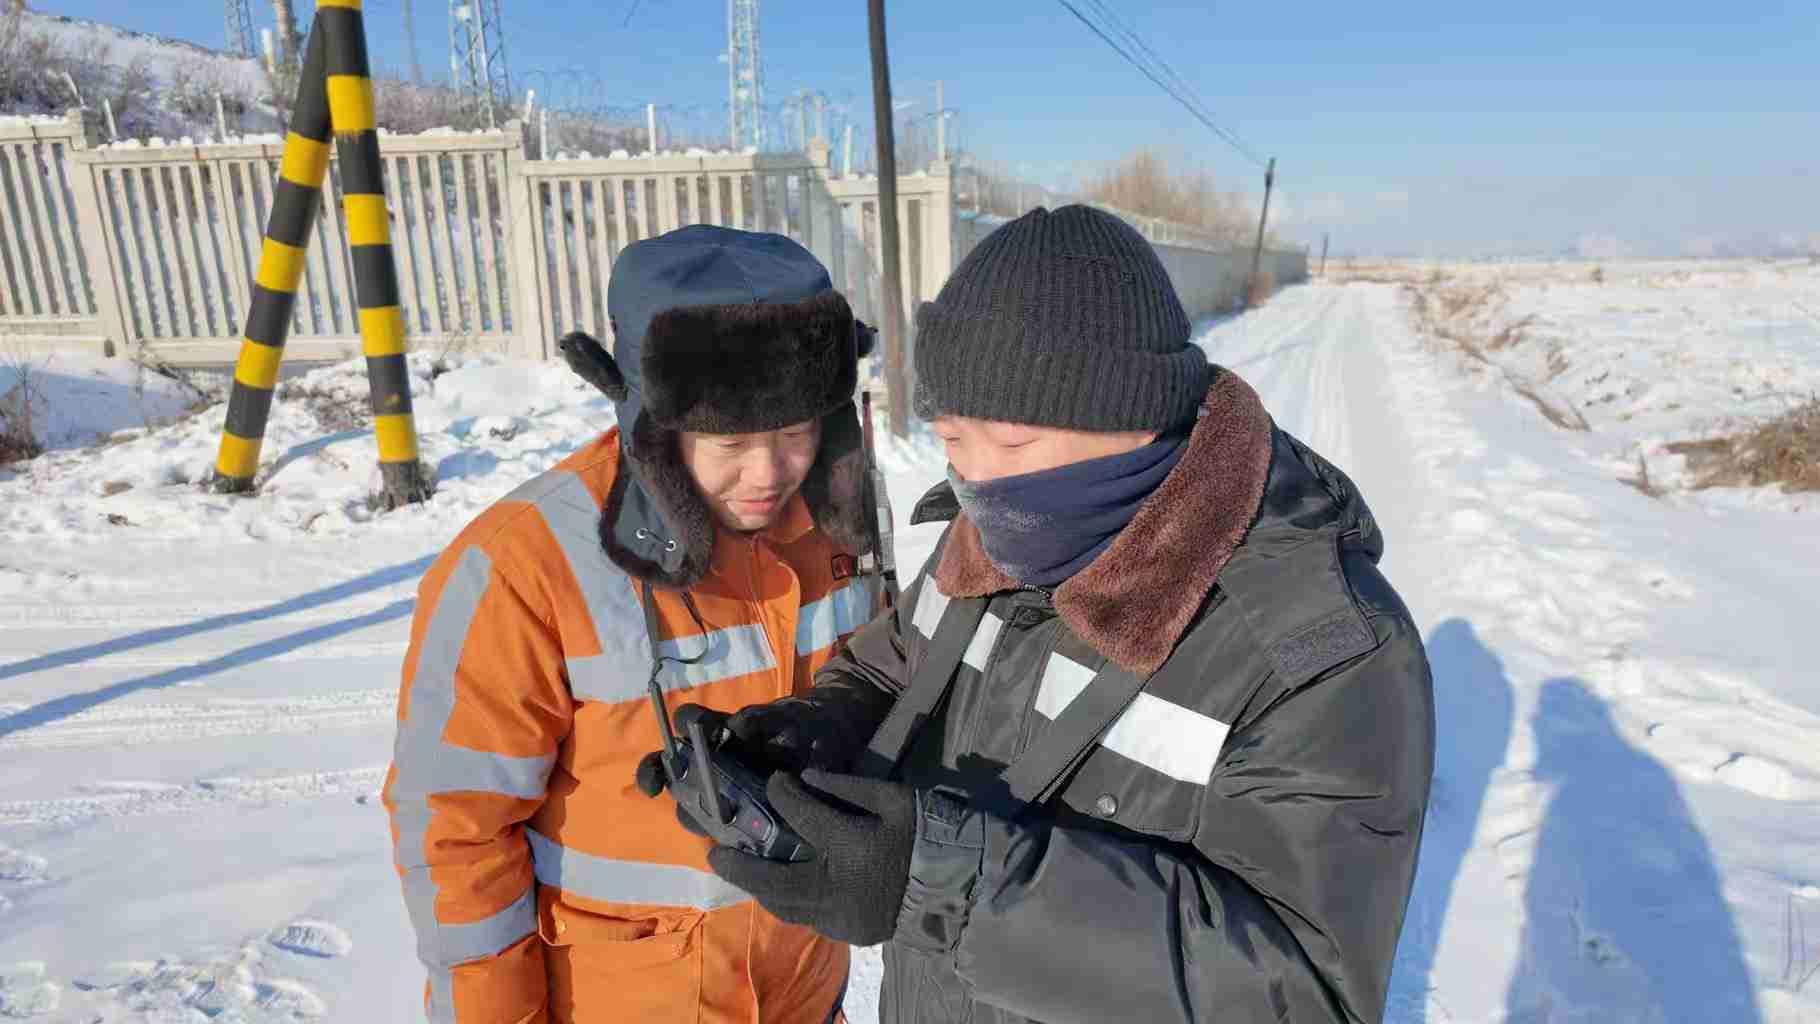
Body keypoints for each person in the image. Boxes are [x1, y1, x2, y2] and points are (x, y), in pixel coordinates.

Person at [662, 205, 1436, 1023]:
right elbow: (896, 662)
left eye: (1015, 444)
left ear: (1133, 415)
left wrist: (942, 884)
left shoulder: (1322, 650)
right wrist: (815, 728)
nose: (981, 483)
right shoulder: (990, 536)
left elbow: (1304, 995)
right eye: (954, 442)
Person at [384, 224, 881, 1023]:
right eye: (729, 440)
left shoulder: (837, 527)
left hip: (806, 994)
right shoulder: (521, 563)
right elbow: (456, 833)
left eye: (794, 433)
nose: (769, 474)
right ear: (652, 419)